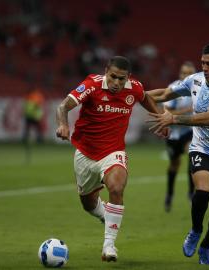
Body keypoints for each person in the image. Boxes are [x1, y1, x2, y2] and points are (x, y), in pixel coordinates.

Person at [55, 56, 168, 262]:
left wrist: (160, 116)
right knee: (88, 204)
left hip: (113, 152)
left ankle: (109, 246)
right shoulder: (92, 85)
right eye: (113, 77)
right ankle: (106, 215)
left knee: (116, 187)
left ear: (128, 77)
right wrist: (63, 125)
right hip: (85, 153)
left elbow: (145, 97)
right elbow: (63, 106)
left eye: (121, 79)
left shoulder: (133, 87)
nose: (116, 83)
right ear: (106, 71)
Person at [148, 43, 209, 265]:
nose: (205, 68)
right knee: (203, 189)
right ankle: (195, 230)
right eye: (202, 63)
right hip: (201, 148)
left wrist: (174, 118)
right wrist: (132, 95)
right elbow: (163, 93)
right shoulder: (195, 80)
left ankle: (206, 247)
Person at [163, 61, 196, 212]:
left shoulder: (199, 88)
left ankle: (191, 193)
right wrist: (187, 110)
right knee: (174, 164)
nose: (186, 76)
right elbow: (167, 114)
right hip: (174, 133)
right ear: (180, 74)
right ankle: (169, 194)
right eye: (184, 73)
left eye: (189, 73)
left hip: (190, 130)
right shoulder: (174, 89)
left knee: (192, 156)